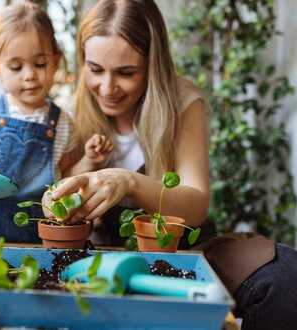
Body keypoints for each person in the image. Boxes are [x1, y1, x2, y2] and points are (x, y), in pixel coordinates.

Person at [48, 1, 297, 329]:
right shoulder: (67, 111)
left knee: (286, 278)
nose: (107, 89)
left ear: (152, 65)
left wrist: (130, 182)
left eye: (126, 72)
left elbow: (196, 205)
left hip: (186, 253)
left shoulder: (182, 101)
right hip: (103, 260)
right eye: (95, 70)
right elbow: (49, 201)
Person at [0, 2, 113, 242]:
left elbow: (63, 177)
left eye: (40, 64)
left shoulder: (63, 123)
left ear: (55, 62)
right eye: (16, 67)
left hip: (37, 235)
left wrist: (89, 160)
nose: (29, 75)